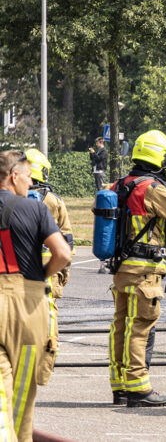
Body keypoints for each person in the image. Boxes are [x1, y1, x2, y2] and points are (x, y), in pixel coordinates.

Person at [108, 130, 166, 408]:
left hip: (121, 269)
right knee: (141, 327)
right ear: (159, 157)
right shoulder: (152, 189)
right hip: (145, 270)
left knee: (121, 326)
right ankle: (139, 388)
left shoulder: (120, 184)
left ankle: (120, 386)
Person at [0, 151, 71, 441]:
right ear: (13, 176)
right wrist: (42, 274)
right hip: (29, 307)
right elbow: (63, 254)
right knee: (22, 396)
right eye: (29, 178)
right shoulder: (37, 209)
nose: (31, 185)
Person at [23, 149, 73, 388]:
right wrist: (63, 273)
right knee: (48, 319)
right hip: (47, 268)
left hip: (15, 268)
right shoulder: (53, 201)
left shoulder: (10, 197)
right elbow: (67, 241)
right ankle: (43, 370)